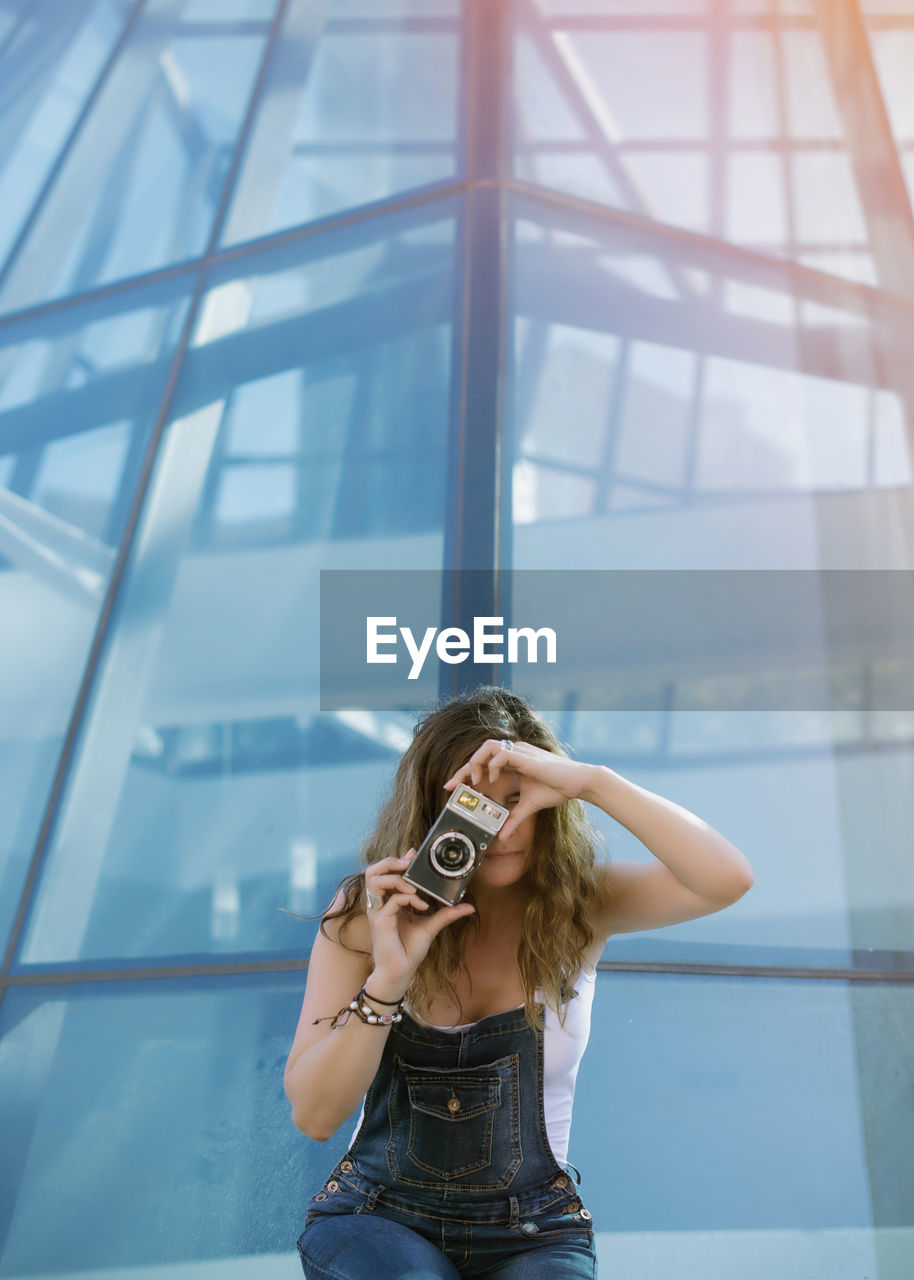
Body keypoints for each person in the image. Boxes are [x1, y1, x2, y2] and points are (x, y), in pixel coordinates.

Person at [284, 686, 754, 1279]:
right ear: (432, 814)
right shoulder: (368, 913)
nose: (501, 830)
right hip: (380, 1217)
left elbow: (727, 879)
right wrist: (389, 977)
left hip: (535, 1231)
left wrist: (593, 781)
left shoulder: (580, 905)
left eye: (517, 801)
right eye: (472, 807)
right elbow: (316, 1116)